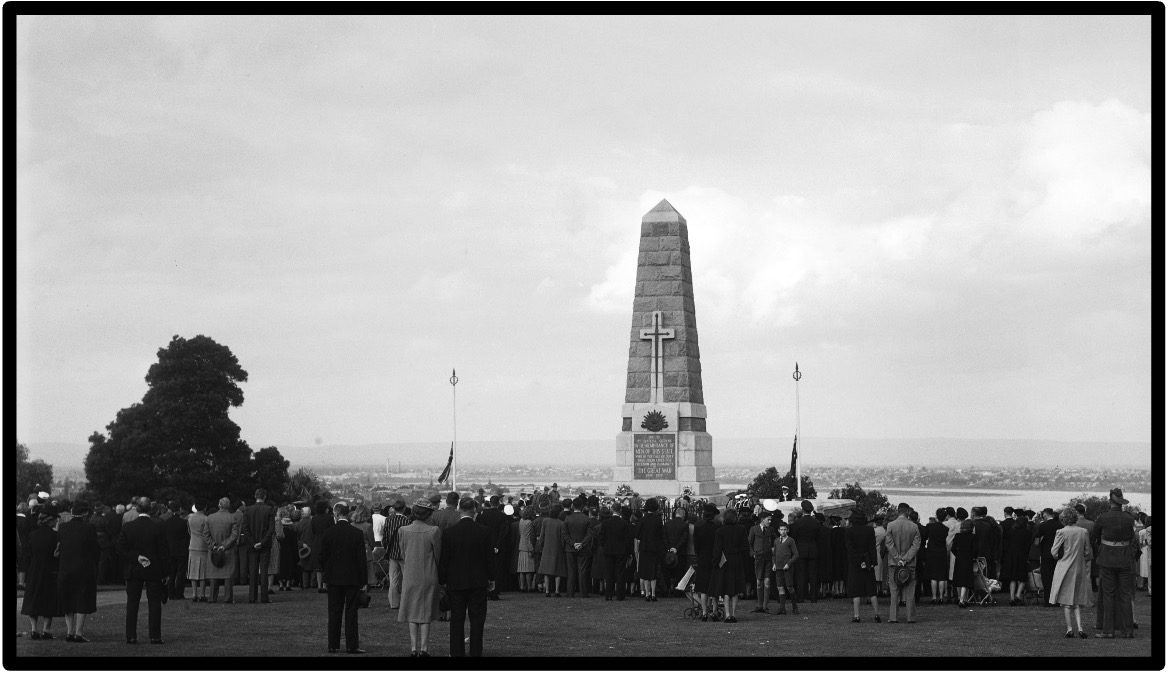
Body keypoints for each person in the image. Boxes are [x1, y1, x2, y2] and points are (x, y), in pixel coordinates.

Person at [439, 497, 494, 657]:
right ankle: (476, 651)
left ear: (459, 510)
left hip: (456, 582)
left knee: (457, 620)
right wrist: (491, 578)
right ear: (474, 510)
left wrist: (442, 580)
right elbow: (489, 558)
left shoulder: (449, 533)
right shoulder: (484, 531)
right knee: (477, 620)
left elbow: (445, 559)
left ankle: (457, 652)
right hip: (478, 581)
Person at [117, 497, 170, 644]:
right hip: (154, 569)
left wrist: (136, 557)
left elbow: (121, 549)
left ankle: (131, 635)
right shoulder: (158, 526)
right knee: (154, 603)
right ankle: (155, 636)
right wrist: (166, 572)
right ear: (151, 509)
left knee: (132, 603)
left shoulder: (128, 526)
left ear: (137, 509)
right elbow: (164, 552)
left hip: (134, 568)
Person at [319, 502, 368, 654]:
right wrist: (364, 581)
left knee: (334, 611)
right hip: (352, 577)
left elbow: (322, 557)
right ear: (348, 514)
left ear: (336, 513)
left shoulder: (328, 533)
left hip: (333, 578)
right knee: (351, 612)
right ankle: (351, 645)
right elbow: (361, 559)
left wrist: (326, 574)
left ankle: (333, 644)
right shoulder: (356, 533)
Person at [398, 498, 442, 657]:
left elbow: (403, 553)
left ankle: (413, 648)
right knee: (425, 613)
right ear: (428, 514)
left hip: (410, 574)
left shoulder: (403, 530)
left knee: (411, 611)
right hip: (428, 574)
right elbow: (438, 555)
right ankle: (423, 648)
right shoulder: (434, 531)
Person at [1090, 488, 1137, 639]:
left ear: (1110, 502)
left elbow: (1094, 537)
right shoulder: (1129, 518)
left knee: (1108, 596)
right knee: (1125, 595)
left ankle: (1108, 631)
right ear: (1121, 502)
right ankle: (1128, 631)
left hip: (1107, 560)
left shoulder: (1102, 518)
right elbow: (1132, 538)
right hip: (1125, 559)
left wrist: (1102, 549)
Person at [57, 501, 100, 642]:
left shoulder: (63, 527)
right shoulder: (89, 528)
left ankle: (69, 631)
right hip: (84, 568)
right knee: (82, 599)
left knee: (67, 598)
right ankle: (78, 633)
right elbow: (95, 549)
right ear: (85, 513)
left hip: (65, 567)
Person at [22, 505, 63, 640]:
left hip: (34, 569)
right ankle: (46, 630)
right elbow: (56, 555)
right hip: (49, 569)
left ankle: (34, 629)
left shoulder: (32, 535)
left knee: (33, 599)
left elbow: (28, 554)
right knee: (48, 600)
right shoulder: (55, 536)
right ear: (50, 520)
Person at [1050, 507, 1092, 638]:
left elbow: (1054, 552)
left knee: (1066, 602)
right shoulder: (1083, 531)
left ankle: (1069, 629)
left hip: (1065, 567)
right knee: (1076, 600)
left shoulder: (1061, 532)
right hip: (1079, 567)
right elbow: (1087, 552)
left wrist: (1060, 558)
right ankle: (1080, 627)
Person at [884, 503, 921, 623]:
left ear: (898, 511)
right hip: (909, 563)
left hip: (894, 563)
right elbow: (916, 545)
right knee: (910, 591)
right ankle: (911, 617)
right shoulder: (914, 526)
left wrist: (897, 558)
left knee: (894, 591)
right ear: (908, 512)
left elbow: (889, 544)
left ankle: (893, 617)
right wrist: (906, 559)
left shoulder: (890, 525)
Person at [710, 508, 748, 623]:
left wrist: (715, 562)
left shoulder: (720, 531)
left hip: (725, 560)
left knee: (726, 589)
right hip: (737, 559)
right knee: (735, 589)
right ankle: (733, 614)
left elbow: (717, 549)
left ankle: (727, 615)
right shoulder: (741, 529)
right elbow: (745, 547)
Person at [239, 488, 276, 604]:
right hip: (264, 545)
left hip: (252, 545)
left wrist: (252, 542)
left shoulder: (248, 510)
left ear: (255, 496)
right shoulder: (269, 509)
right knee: (264, 571)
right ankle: (264, 597)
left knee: (253, 570)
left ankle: (252, 597)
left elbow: (245, 528)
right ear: (264, 496)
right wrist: (263, 542)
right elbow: (271, 529)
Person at [843, 508, 880, 622]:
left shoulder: (849, 531)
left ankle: (856, 616)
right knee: (871, 590)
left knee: (856, 591)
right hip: (869, 562)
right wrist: (872, 562)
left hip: (855, 564)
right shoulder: (870, 530)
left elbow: (850, 549)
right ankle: (877, 615)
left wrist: (859, 561)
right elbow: (872, 548)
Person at [204, 497, 240, 603]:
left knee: (214, 575)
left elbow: (205, 534)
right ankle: (227, 598)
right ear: (228, 506)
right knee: (228, 575)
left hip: (214, 550)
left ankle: (212, 598)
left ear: (219, 505)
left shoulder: (209, 518)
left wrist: (213, 545)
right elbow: (234, 535)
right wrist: (224, 546)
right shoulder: (232, 518)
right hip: (228, 551)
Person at [476, 495, 511, 600]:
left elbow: (480, 531)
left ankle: (487, 590)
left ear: (490, 503)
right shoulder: (502, 516)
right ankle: (495, 591)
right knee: (498, 570)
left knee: (486, 568)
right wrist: (498, 545)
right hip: (498, 547)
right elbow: (504, 533)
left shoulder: (483, 516)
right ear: (498, 503)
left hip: (486, 545)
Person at [598, 505, 632, 601]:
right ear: (620, 511)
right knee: (620, 573)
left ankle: (608, 594)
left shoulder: (605, 523)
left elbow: (601, 537)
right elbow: (627, 539)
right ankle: (620, 595)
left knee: (609, 573)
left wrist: (604, 546)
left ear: (612, 510)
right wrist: (628, 552)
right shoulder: (624, 523)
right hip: (621, 551)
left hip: (608, 551)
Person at [634, 498, 666, 601]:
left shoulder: (643, 520)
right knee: (653, 572)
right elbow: (661, 535)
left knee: (645, 572)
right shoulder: (658, 520)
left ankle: (647, 594)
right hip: (655, 549)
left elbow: (637, 535)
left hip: (644, 549)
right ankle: (653, 594)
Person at [381, 499, 410, 608]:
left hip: (392, 553)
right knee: (406, 579)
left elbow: (385, 538)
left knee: (393, 580)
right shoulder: (407, 521)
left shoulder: (389, 520)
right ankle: (405, 602)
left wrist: (387, 549)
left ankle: (394, 603)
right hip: (405, 553)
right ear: (404, 508)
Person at [563, 496, 593, 599]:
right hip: (583, 548)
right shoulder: (586, 519)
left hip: (570, 548)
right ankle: (583, 593)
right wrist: (582, 544)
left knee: (571, 571)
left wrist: (572, 544)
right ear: (582, 506)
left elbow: (565, 534)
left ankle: (570, 592)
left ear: (572, 506)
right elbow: (589, 535)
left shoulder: (567, 518)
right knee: (582, 571)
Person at [1000, 508, 1031, 605]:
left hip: (1011, 556)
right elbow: (1028, 545)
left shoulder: (1011, 532)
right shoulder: (1027, 533)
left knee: (1012, 578)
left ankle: (1012, 597)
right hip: (1022, 556)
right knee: (1022, 577)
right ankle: (1018, 595)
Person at [537, 504, 569, 597]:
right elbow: (562, 538)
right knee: (558, 571)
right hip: (558, 548)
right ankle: (557, 590)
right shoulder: (561, 523)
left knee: (546, 571)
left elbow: (542, 535)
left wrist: (541, 545)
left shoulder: (545, 521)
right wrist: (562, 547)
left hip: (547, 548)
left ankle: (547, 591)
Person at [748, 511, 775, 613]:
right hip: (758, 558)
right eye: (768, 519)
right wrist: (753, 554)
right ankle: (759, 605)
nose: (770, 521)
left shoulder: (771, 530)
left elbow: (775, 540)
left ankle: (765, 606)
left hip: (768, 558)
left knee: (767, 582)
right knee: (759, 582)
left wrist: (773, 548)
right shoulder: (754, 529)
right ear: (762, 519)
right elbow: (749, 543)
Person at [770, 520, 799, 615]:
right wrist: (774, 563)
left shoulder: (790, 540)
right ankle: (782, 608)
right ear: (778, 530)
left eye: (785, 530)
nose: (783, 531)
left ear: (787, 530)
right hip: (778, 567)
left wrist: (789, 564)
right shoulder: (776, 541)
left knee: (789, 587)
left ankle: (795, 607)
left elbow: (796, 554)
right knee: (780, 587)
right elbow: (774, 554)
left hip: (787, 568)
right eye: (781, 530)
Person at [162, 501, 188, 601]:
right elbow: (186, 537)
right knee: (181, 573)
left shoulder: (166, 523)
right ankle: (179, 593)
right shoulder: (183, 523)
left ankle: (171, 593)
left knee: (172, 573)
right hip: (181, 550)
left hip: (170, 550)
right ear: (179, 509)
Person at [1036, 508, 1062, 608]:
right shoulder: (1060, 525)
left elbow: (1036, 542)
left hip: (1046, 555)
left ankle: (1048, 600)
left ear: (1045, 515)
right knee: (1057, 577)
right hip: (1058, 555)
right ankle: (1057, 600)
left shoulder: (1042, 526)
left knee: (1047, 578)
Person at [924, 508, 950, 604]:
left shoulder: (930, 526)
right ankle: (941, 597)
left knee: (933, 576)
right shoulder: (945, 529)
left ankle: (934, 597)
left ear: (936, 516)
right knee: (942, 576)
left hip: (932, 552)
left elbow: (925, 537)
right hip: (942, 552)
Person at [950, 519, 978, 607]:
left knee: (959, 579)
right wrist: (973, 556)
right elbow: (975, 550)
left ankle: (961, 598)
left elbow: (953, 548)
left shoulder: (957, 536)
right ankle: (962, 600)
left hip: (959, 559)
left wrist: (958, 555)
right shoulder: (973, 537)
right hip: (968, 559)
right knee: (965, 581)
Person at [309, 500, 335, 593]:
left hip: (316, 541)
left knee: (318, 566)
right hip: (327, 541)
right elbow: (332, 530)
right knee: (326, 564)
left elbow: (313, 530)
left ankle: (319, 585)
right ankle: (325, 585)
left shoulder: (314, 518)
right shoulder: (329, 518)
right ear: (325, 508)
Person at [515, 508, 538, 592]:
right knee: (528, 570)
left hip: (521, 545)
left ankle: (522, 586)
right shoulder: (529, 522)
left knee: (521, 569)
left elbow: (521, 533)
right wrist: (531, 549)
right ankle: (529, 587)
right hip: (527, 547)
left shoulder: (521, 520)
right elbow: (528, 537)